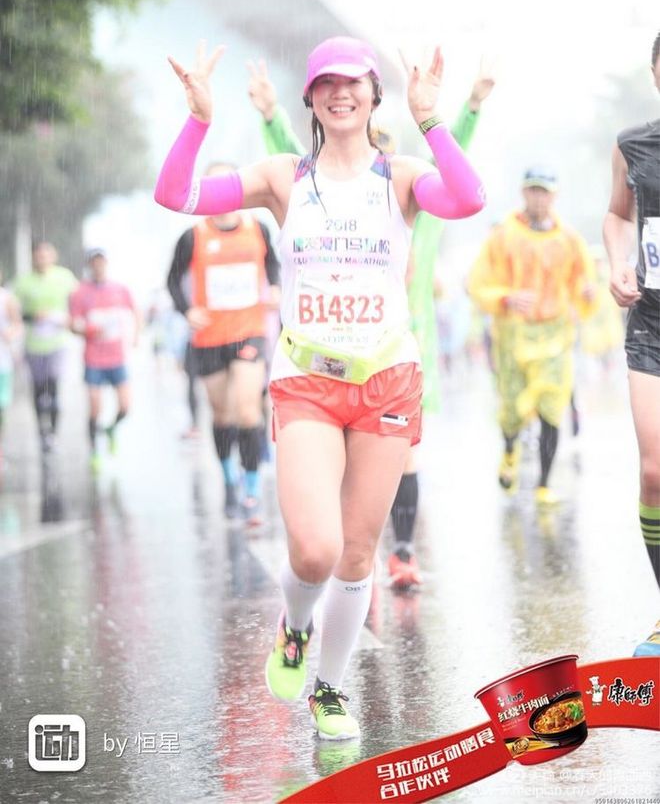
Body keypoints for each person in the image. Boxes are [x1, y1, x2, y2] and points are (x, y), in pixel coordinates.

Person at [155, 36, 485, 739]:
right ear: (309, 98)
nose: (341, 93)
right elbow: (175, 194)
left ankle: (329, 689)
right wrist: (199, 119)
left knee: (358, 554)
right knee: (314, 551)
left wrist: (432, 118)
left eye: (355, 82)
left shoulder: (401, 177)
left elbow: (467, 197)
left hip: (387, 382)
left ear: (373, 95)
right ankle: (295, 626)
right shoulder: (284, 177)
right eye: (326, 83)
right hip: (307, 380)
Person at [247, 56, 496, 589]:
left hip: (404, 352)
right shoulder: (320, 193)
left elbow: (460, 171)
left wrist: (465, 108)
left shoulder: (413, 207)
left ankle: (399, 551)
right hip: (325, 357)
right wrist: (270, 115)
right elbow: (294, 163)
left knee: (405, 460)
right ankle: (343, 563)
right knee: (332, 494)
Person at [468, 168, 596, 504]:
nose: (539, 198)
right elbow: (478, 283)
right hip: (513, 335)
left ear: (555, 196)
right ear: (524, 193)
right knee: (512, 407)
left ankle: (543, 483)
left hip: (555, 335)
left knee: (552, 406)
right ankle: (510, 448)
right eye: (533, 191)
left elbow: (584, 280)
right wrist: (506, 297)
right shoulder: (503, 236)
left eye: (545, 191)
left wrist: (586, 295)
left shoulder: (569, 239)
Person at [166, 162, 281, 524]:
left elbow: (274, 264)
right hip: (210, 338)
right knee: (222, 415)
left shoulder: (257, 228)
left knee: (248, 411)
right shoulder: (193, 236)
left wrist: (275, 287)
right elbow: (172, 280)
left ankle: (250, 488)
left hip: (249, 332)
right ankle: (229, 477)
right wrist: (187, 310)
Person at [603, 31, 660, 657]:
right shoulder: (633, 145)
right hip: (652, 323)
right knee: (655, 471)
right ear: (654, 73)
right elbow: (618, 215)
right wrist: (618, 261)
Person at [69, 249, 139, 471]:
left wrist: (136, 335)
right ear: (90, 265)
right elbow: (72, 323)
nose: (98, 266)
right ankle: (94, 452)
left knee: (126, 407)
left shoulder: (120, 290)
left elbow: (136, 312)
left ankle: (111, 430)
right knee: (95, 409)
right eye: (94, 262)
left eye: (102, 262)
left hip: (117, 357)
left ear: (107, 264)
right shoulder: (80, 293)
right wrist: (88, 330)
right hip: (94, 360)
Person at [12, 241, 78, 451]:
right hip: (33, 345)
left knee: (55, 386)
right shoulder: (23, 282)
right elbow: (12, 312)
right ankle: (42, 431)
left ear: (53, 256)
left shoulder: (65, 277)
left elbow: (77, 303)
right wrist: (32, 316)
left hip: (58, 343)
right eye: (38, 255)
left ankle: (54, 433)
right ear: (33, 257)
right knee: (39, 390)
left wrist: (69, 319)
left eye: (46, 254)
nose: (42, 258)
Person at [0, 270, 22, 471]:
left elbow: (18, 325)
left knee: (1, 408)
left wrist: (11, 333)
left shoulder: (7, 299)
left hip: (2, 364)